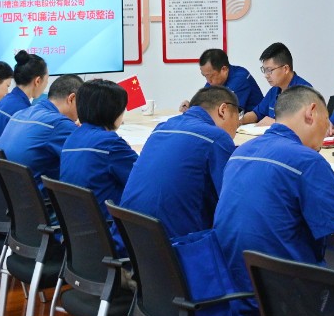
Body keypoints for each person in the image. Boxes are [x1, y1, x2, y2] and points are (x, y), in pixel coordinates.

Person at [214, 85, 334, 267]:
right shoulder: (307, 160)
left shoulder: (240, 152)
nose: (327, 129)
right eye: (326, 119)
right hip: (285, 280)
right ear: (311, 112)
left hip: (231, 275)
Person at [120, 86, 240, 240]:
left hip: (129, 238)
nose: (237, 127)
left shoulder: (162, 127)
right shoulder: (216, 137)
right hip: (175, 245)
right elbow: (231, 201)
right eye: (237, 119)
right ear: (223, 110)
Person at [58, 79, 137, 219]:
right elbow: (142, 178)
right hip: (109, 225)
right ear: (113, 112)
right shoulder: (110, 144)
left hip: (79, 223)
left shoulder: (72, 138)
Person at [0, 73, 83, 182]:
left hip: (8, 189)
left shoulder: (19, 114)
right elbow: (87, 159)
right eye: (81, 104)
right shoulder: (59, 124)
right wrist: (82, 131)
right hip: (38, 191)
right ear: (72, 98)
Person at [181, 48, 261, 120]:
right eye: (205, 76)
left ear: (224, 69)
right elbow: (205, 100)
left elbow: (226, 112)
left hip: (254, 123)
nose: (208, 81)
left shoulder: (240, 78)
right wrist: (191, 107)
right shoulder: (213, 80)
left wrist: (198, 110)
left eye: (210, 76)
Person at [0, 51, 48, 144]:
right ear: (38, 81)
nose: (46, 84)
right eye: (46, 80)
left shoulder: (5, 101)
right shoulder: (23, 111)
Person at [249, 41, 312, 124]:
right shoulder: (274, 90)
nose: (266, 75)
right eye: (264, 70)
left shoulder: (305, 91)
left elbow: (305, 124)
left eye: (269, 70)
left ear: (285, 69)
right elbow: (257, 113)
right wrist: (238, 120)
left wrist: (275, 122)